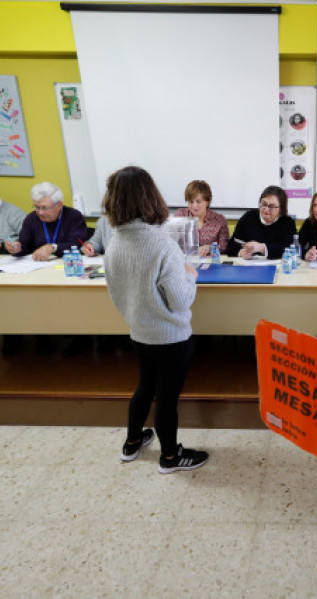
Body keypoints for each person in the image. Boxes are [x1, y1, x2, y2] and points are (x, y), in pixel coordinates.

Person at [102, 165, 208, 472]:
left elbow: (116, 292)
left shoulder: (115, 243)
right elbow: (181, 300)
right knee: (166, 399)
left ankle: (132, 443)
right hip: (171, 338)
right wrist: (191, 276)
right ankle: (170, 457)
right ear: (151, 198)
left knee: (144, 387)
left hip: (140, 333)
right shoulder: (162, 244)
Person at [4, 182, 87, 261]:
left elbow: (77, 244)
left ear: (59, 205)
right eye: (36, 207)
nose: (40, 212)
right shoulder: (32, 218)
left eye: (44, 208)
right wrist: (17, 248)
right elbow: (25, 244)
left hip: (68, 264)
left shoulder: (73, 216)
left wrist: (52, 247)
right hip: (39, 265)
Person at [226, 185, 296, 259]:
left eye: (271, 206)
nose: (266, 209)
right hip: (249, 266)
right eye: (264, 204)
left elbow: (290, 249)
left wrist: (262, 248)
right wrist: (241, 252)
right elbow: (232, 244)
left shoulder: (287, 222)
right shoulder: (249, 217)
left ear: (281, 209)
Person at [173, 180, 229, 256]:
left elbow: (225, 247)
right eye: (191, 202)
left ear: (207, 201)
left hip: (210, 263)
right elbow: (172, 243)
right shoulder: (180, 215)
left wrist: (209, 248)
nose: (194, 206)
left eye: (198, 202)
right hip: (185, 262)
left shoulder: (219, 220)